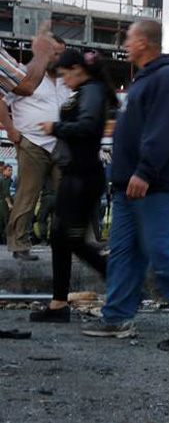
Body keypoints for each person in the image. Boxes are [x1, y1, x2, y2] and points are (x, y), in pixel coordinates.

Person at [82, 20, 169, 342]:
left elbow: (165, 130)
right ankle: (117, 318)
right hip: (129, 185)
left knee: (161, 250)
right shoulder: (143, 80)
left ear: (143, 42)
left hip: (153, 185)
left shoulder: (167, 78)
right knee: (125, 253)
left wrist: (145, 171)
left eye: (129, 39)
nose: (125, 44)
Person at [27, 49, 114, 323]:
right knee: (59, 238)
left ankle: (114, 275)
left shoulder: (91, 91)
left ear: (77, 69)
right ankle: (58, 304)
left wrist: (56, 128)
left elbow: (88, 127)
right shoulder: (88, 91)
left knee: (70, 238)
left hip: (82, 176)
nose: (63, 81)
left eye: (65, 74)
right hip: (76, 174)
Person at [0, 32, 63, 261]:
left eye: (60, 54)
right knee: (28, 194)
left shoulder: (66, 81)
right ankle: (19, 244)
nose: (58, 57)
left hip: (59, 144)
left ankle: (66, 241)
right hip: (32, 142)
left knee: (67, 194)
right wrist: (10, 130)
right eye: (54, 53)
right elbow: (1, 99)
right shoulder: (25, 74)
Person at [0, 165, 12, 244]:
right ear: (4, 171)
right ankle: (6, 239)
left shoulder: (2, 179)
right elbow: (6, 193)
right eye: (9, 170)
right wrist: (9, 204)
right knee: (7, 220)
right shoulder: (6, 180)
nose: (11, 172)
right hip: (4, 202)